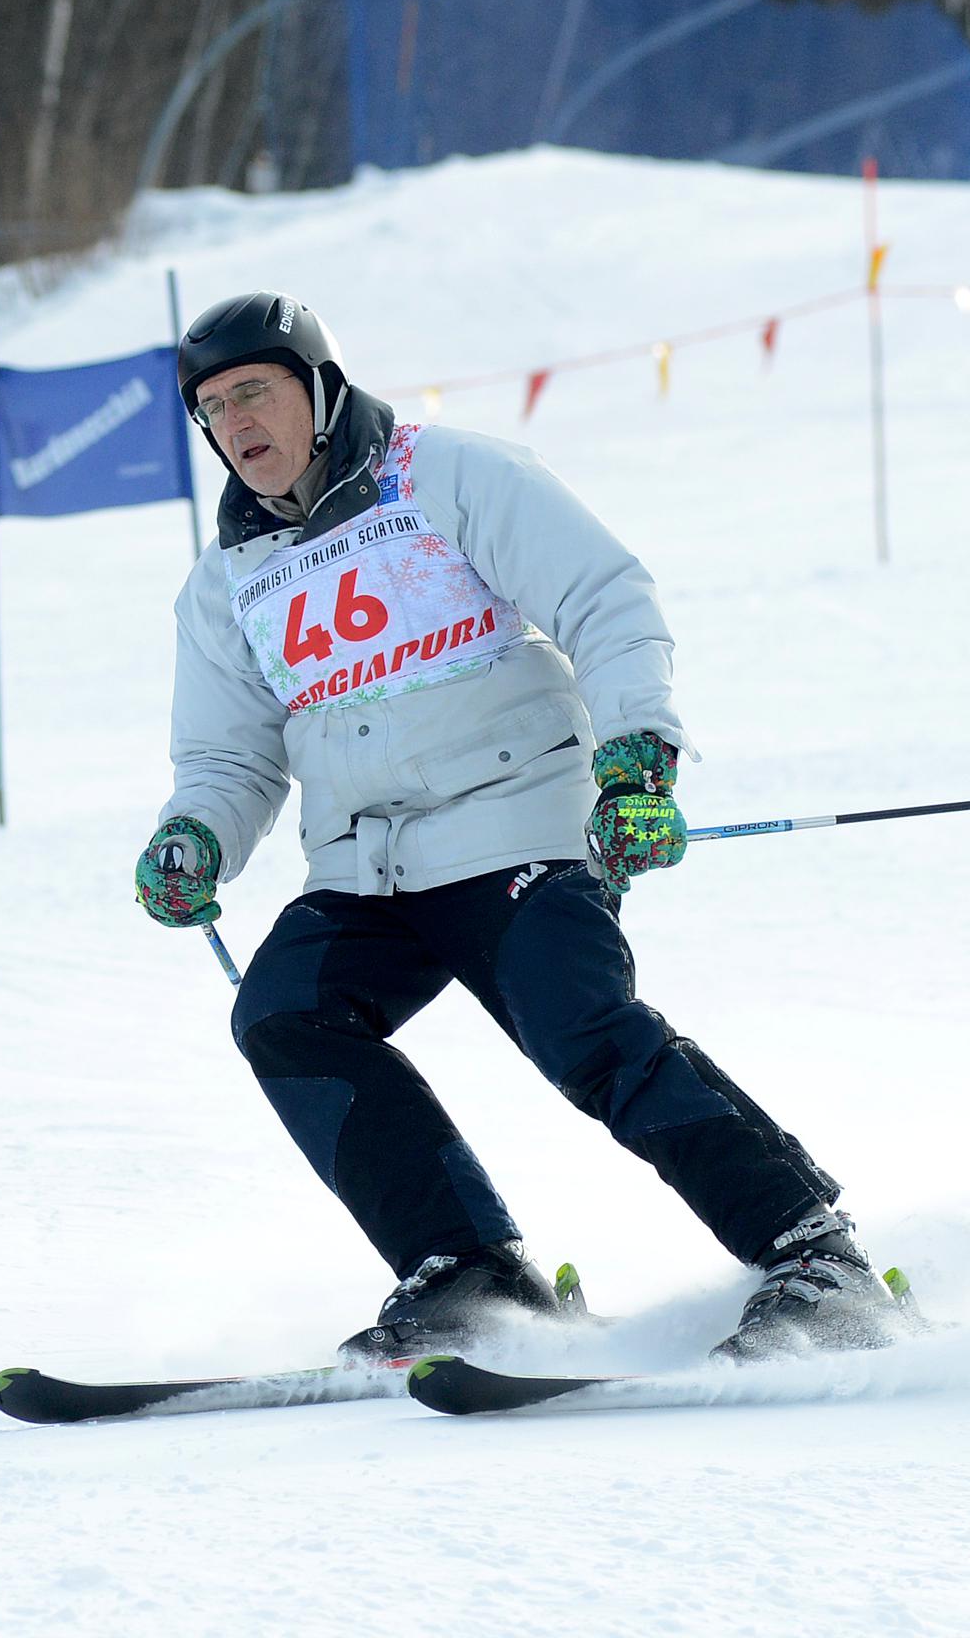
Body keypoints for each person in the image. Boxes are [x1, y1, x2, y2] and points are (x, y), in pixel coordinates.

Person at [136, 291, 909, 1365]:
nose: (236, 423)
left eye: (255, 391)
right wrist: (195, 836)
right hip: (365, 864)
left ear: (319, 386)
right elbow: (229, 757)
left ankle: (813, 1253)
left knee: (579, 1027)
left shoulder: (445, 476)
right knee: (283, 1014)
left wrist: (637, 758)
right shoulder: (227, 582)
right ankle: (469, 1270)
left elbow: (605, 599)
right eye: (213, 409)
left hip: (517, 826)